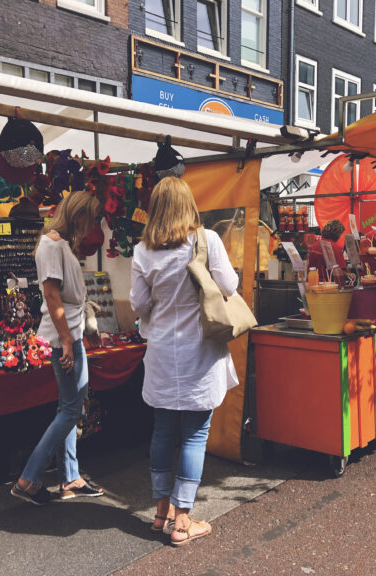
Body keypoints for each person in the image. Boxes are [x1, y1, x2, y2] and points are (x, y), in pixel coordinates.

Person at [130, 176, 239, 546]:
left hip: (161, 350)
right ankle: (183, 521)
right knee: (195, 433)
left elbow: (139, 305)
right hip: (199, 349)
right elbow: (229, 286)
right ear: (189, 204)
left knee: (162, 430)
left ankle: (161, 512)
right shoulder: (207, 240)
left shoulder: (142, 251)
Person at [10, 190, 104, 505]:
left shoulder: (59, 245)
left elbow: (62, 296)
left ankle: (70, 477)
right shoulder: (52, 246)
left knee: (69, 407)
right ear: (77, 215)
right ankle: (29, 478)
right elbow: (51, 296)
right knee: (70, 409)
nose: (90, 225)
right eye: (88, 218)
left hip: (71, 334)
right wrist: (66, 339)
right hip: (65, 337)